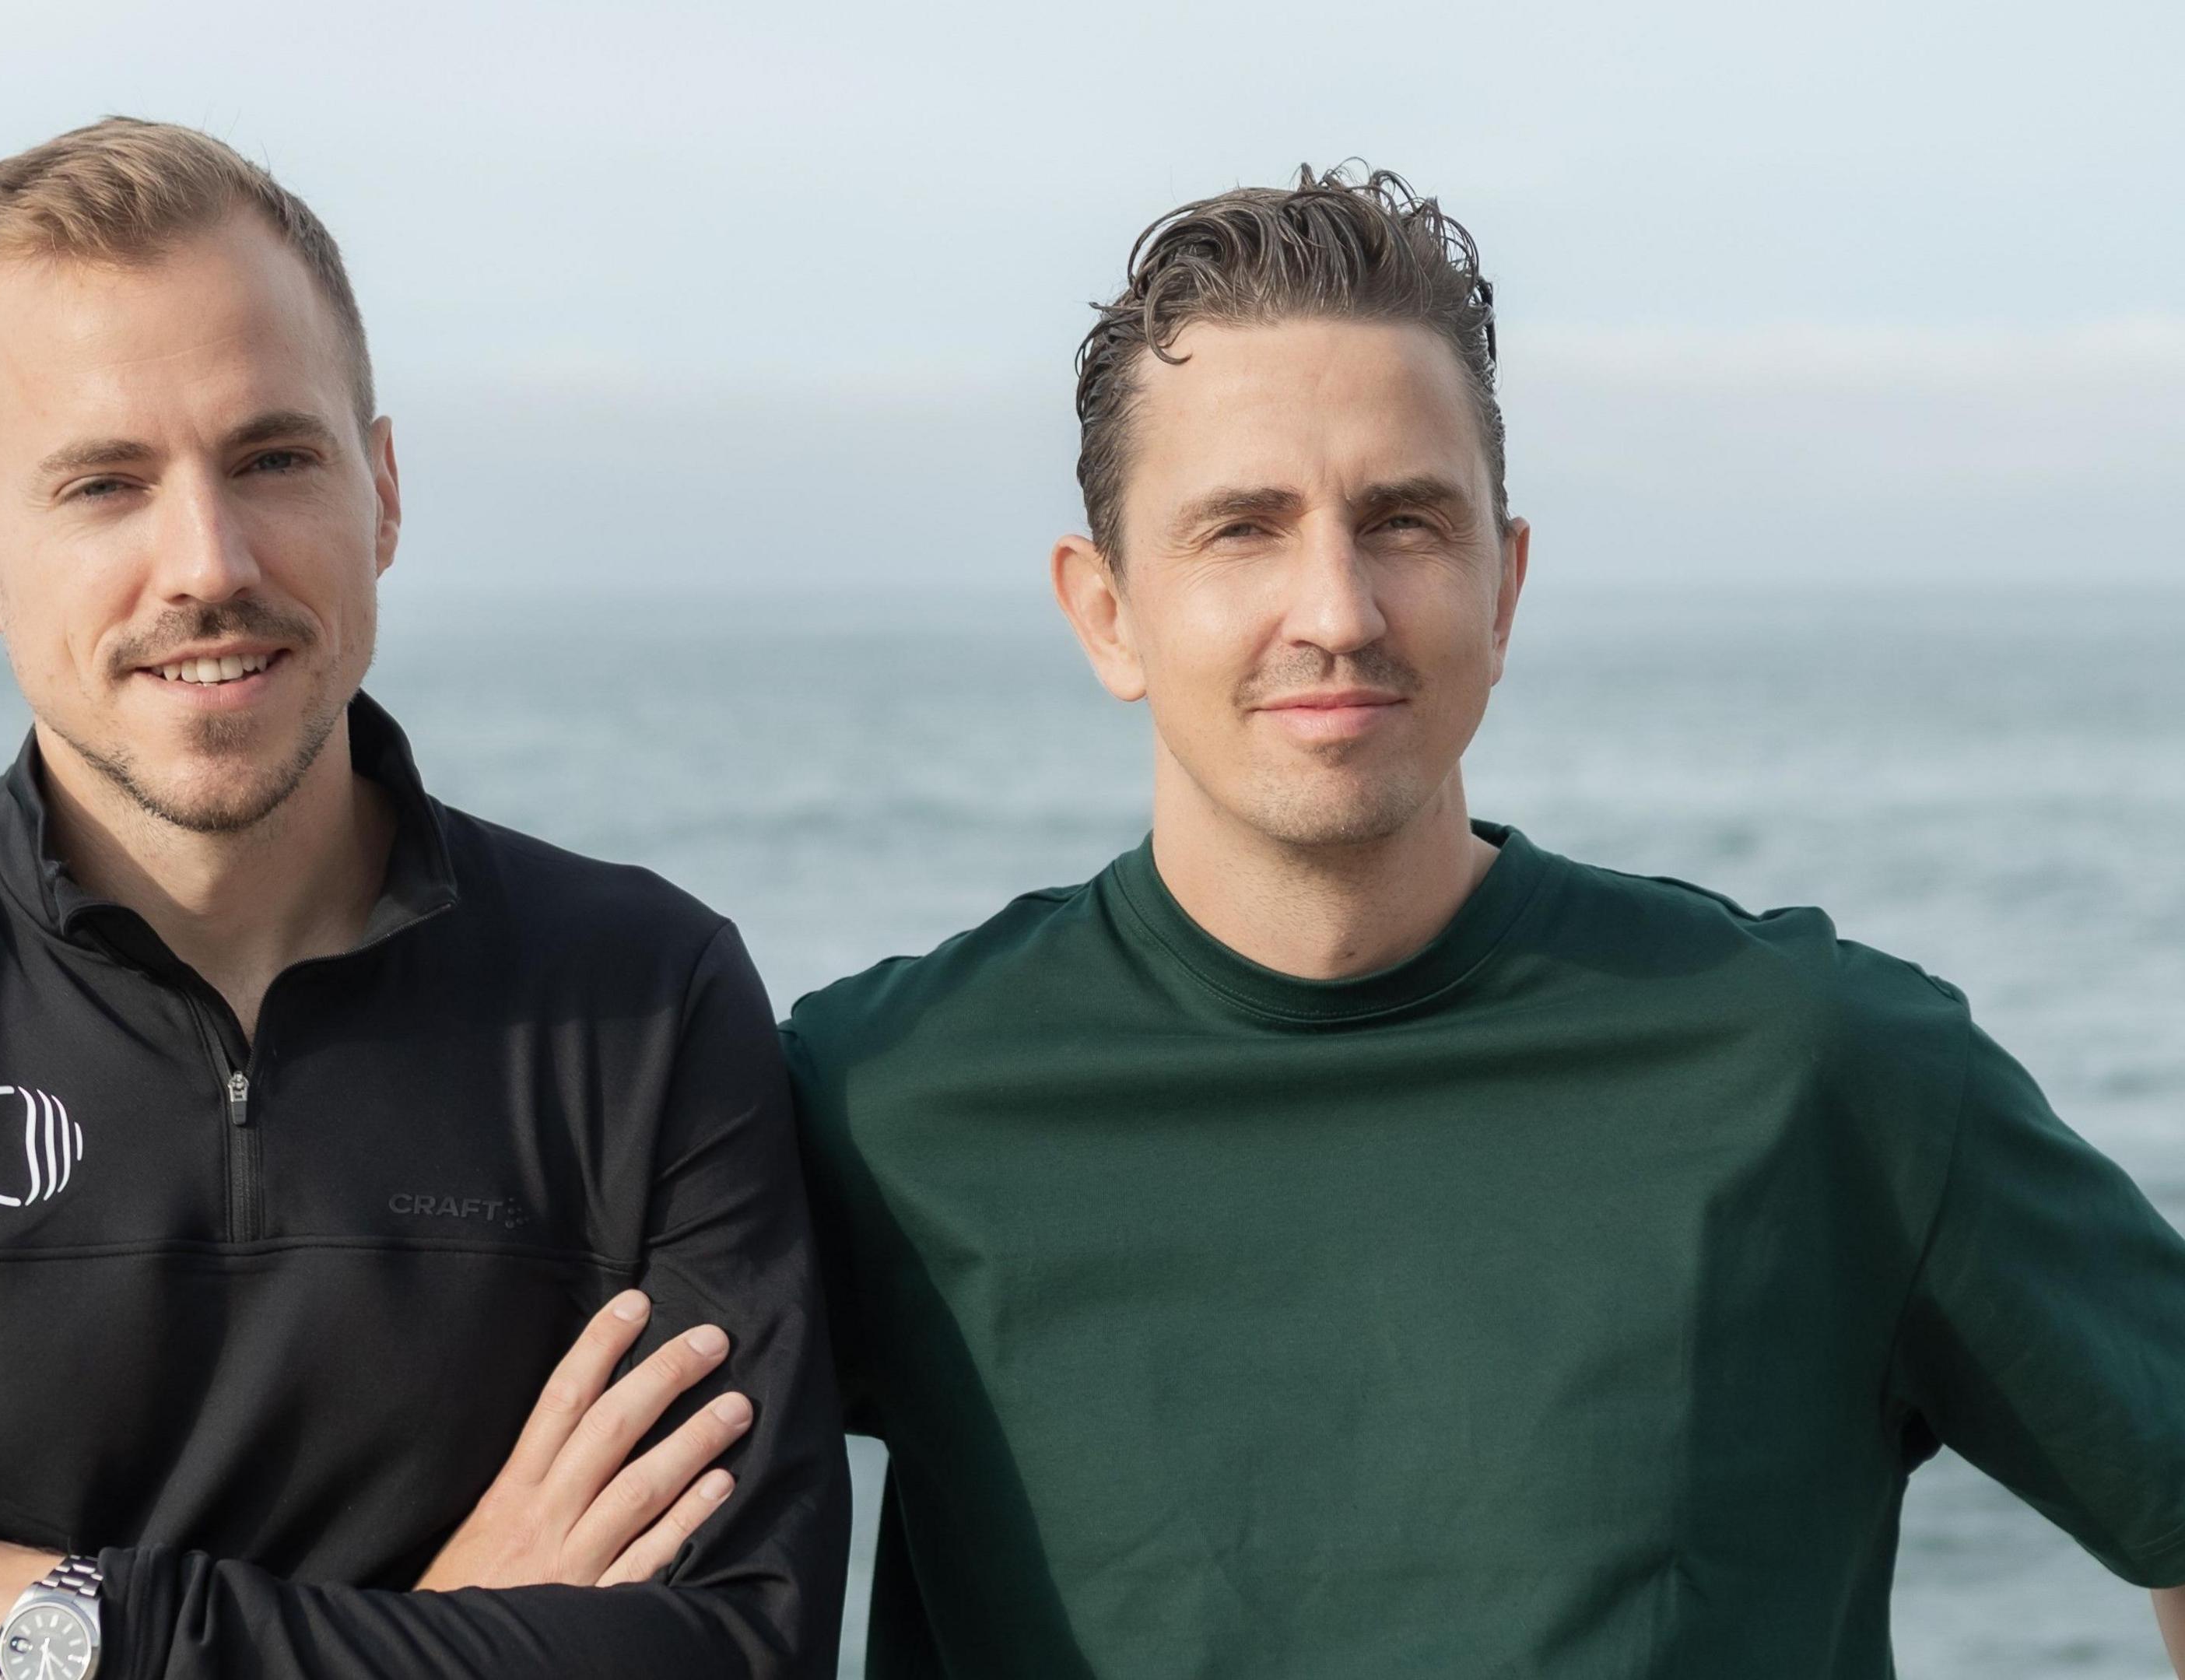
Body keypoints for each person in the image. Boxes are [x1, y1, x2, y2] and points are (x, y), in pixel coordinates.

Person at [784, 167, 2185, 1676]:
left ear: (1504, 589)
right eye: (1243, 529)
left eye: (1404, 521)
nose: (1336, 607)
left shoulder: (1821, 1069)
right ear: (1106, 612)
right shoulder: (874, 1104)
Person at [0, 117, 846, 1680]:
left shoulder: (644, 999)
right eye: (105, 485)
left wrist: (74, 1635)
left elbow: (740, 1655)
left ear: (381, 489)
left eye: (272, 459)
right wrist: (451, 1635)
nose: (207, 561)